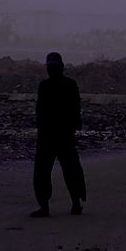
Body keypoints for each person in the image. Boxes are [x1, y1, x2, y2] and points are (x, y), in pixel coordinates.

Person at [30, 52, 87, 217]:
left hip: (50, 135)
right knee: (71, 170)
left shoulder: (45, 86)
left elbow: (40, 111)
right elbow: (76, 109)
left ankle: (45, 207)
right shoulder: (69, 84)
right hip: (63, 135)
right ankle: (75, 204)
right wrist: (74, 128)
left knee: (43, 172)